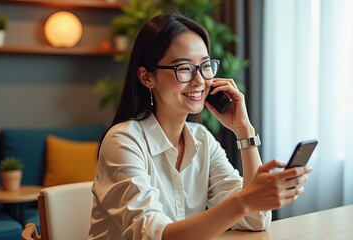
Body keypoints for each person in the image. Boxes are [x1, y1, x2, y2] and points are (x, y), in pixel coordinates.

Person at [88, 13, 312, 240]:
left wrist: (244, 130)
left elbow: (256, 220)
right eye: (184, 68)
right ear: (147, 77)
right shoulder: (123, 142)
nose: (200, 81)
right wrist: (245, 201)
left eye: (205, 66)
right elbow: (154, 235)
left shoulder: (202, 140)